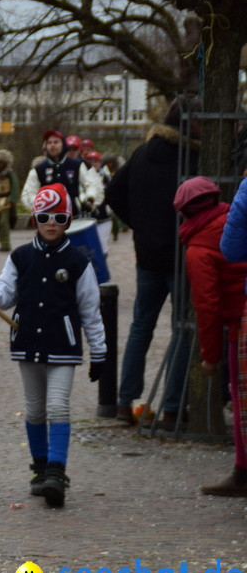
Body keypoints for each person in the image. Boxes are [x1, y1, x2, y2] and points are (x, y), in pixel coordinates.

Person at [0, 183, 106, 506]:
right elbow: (6, 294)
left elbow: (90, 309)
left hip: (63, 345)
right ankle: (40, 467)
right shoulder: (20, 256)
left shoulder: (78, 261)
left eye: (59, 217)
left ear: (68, 221)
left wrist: (99, 352)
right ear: (34, 218)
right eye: (44, 216)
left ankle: (57, 472)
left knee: (58, 405)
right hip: (28, 341)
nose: (51, 223)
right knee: (34, 409)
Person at [106, 100, 199, 426]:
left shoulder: (143, 153)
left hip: (147, 254)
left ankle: (123, 402)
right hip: (182, 253)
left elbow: (113, 192)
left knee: (141, 327)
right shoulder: (193, 157)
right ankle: (172, 408)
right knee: (183, 330)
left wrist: (140, 225)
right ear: (193, 124)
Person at [173, 177, 247, 496]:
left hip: (238, 326)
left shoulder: (198, 248)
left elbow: (207, 304)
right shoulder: (232, 218)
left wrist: (210, 356)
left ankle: (243, 471)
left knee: (241, 401)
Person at [21, 130, 103, 214]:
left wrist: (89, 199)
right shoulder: (38, 169)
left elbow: (92, 184)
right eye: (49, 143)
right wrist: (39, 205)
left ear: (63, 144)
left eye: (56, 142)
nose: (52, 145)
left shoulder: (77, 165)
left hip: (74, 217)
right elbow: (29, 192)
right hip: (49, 219)